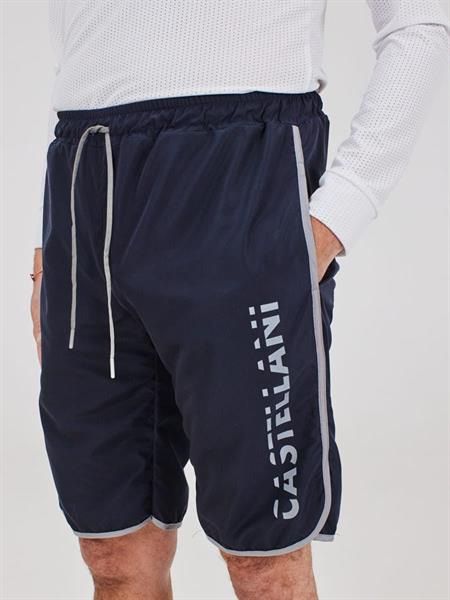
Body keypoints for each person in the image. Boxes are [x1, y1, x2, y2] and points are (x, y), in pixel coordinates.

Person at [30, 2, 448, 599]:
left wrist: (340, 211)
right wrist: (47, 248)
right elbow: (79, 45)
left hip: (238, 163)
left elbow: (417, 20)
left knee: (263, 563)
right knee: (113, 548)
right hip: (82, 179)